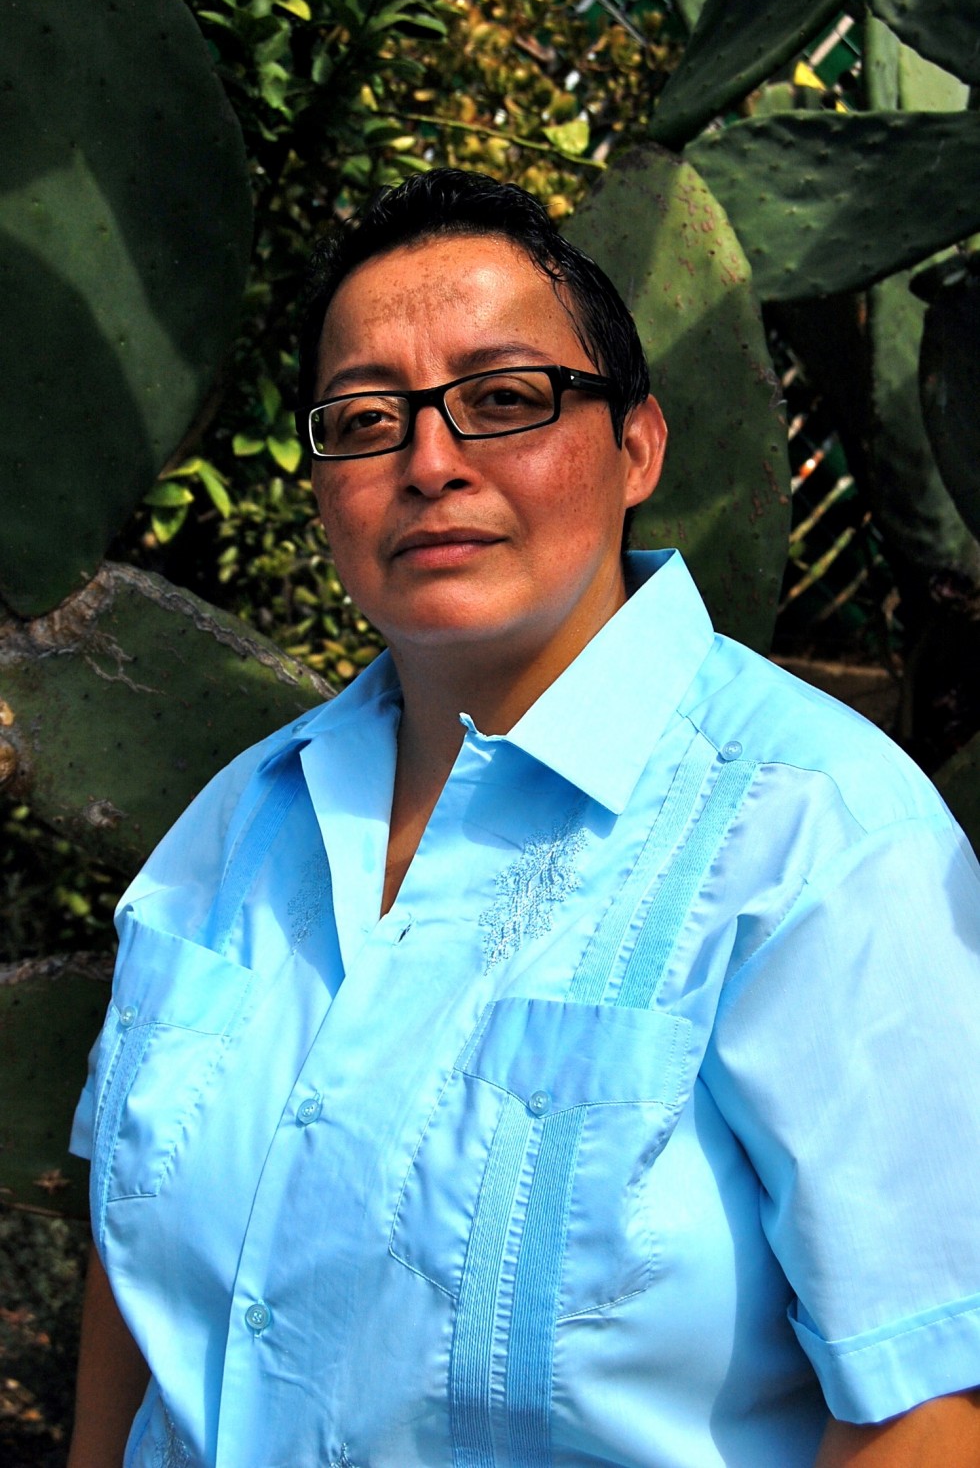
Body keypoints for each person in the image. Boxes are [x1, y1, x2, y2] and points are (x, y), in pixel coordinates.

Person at [67, 169, 980, 1468]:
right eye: (365, 418)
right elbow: (130, 1261)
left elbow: (925, 1406)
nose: (429, 462)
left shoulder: (817, 843)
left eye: (503, 400)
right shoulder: (237, 828)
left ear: (639, 447)